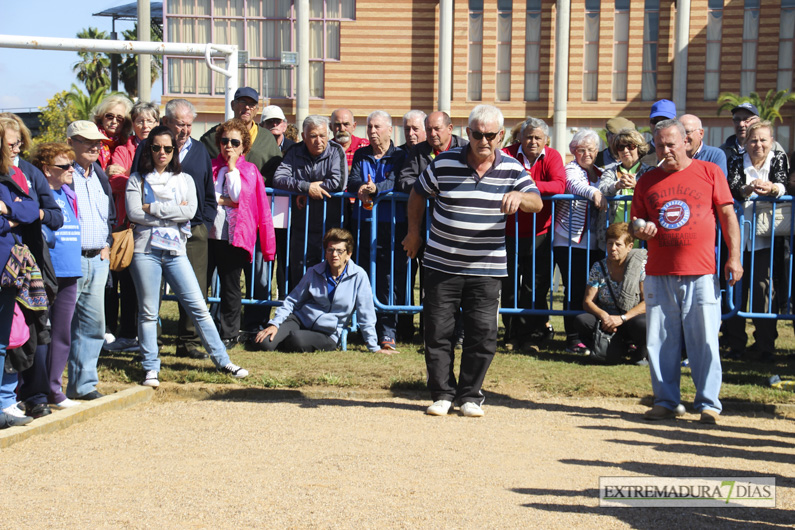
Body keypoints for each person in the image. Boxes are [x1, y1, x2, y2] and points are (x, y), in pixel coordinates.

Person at [402, 104, 542, 418]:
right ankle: (441, 393)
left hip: (487, 267)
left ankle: (470, 395)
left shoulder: (512, 168)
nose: (483, 140)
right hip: (441, 263)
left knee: (482, 334)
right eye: (477, 134)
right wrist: (414, 233)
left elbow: (537, 201)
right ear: (467, 133)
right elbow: (417, 194)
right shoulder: (444, 163)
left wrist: (520, 197)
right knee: (437, 331)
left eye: (490, 135)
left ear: (501, 136)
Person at [631, 119, 743, 425]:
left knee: (704, 340)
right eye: (659, 145)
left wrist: (734, 257)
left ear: (686, 142)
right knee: (660, 340)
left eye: (671, 144)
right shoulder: (646, 180)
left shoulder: (710, 172)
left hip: (701, 271)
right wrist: (643, 230)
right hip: (659, 272)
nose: (665, 150)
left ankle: (708, 404)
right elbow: (635, 225)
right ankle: (666, 401)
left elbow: (728, 216)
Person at [126, 126, 249, 387]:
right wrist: (171, 209)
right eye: (157, 147)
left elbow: (190, 211)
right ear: (149, 149)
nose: (162, 153)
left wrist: (154, 208)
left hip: (175, 251)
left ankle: (223, 360)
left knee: (198, 307)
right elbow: (134, 213)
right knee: (148, 312)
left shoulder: (185, 180)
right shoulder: (137, 179)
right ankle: (151, 367)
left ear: (175, 151)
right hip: (145, 252)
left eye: (168, 148)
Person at [201, 88, 282, 334]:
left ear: (257, 108)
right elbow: (204, 182)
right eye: (242, 103)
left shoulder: (266, 138)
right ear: (234, 104)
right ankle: (202, 326)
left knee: (247, 279)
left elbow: (275, 173)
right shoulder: (214, 136)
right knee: (208, 281)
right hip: (213, 230)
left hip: (249, 223)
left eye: (252, 104)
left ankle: (250, 324)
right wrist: (223, 200)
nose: (229, 146)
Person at [254, 228, 392, 354]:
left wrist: (373, 347)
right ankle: (285, 339)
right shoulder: (313, 271)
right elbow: (292, 301)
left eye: (340, 251)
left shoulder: (359, 276)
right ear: (325, 252)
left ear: (348, 254)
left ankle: (290, 340)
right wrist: (275, 324)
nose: (334, 255)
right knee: (264, 343)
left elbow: (366, 312)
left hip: (328, 333)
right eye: (330, 250)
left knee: (296, 340)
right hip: (300, 320)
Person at [723, 121, 790, 363]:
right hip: (737, 237)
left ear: (771, 141)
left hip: (766, 236)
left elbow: (784, 182)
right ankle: (735, 344)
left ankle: (764, 345)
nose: (758, 144)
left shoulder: (778, 159)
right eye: (753, 140)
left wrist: (773, 188)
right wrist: (746, 188)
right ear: (745, 142)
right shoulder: (735, 160)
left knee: (764, 291)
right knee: (734, 289)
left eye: (763, 140)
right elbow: (731, 187)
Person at [501, 117, 566, 351]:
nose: (533, 142)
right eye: (529, 136)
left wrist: (525, 186)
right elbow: (498, 181)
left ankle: (531, 337)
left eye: (538, 138)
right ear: (520, 137)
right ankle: (510, 336)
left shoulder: (553, 156)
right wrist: (535, 186)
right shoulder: (506, 153)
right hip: (508, 231)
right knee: (508, 286)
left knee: (535, 287)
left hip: (540, 232)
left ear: (545, 140)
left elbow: (559, 185)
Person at [102, 101, 160, 353]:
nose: (145, 125)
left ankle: (149, 335)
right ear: (133, 124)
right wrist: (132, 178)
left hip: (158, 225)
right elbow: (114, 183)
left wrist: (128, 175)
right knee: (125, 281)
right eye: (139, 120)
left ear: (157, 123)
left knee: (150, 284)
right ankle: (126, 333)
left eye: (150, 120)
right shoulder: (124, 149)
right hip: (128, 225)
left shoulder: (163, 146)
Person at [347, 110, 408, 350]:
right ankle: (362, 329)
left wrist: (375, 189)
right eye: (369, 127)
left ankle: (387, 333)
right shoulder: (361, 154)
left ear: (390, 130)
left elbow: (398, 181)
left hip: (391, 225)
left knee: (387, 279)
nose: (372, 132)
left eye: (377, 127)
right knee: (361, 276)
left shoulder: (400, 155)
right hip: (363, 223)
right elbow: (351, 181)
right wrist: (361, 187)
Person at [66, 120, 116, 401]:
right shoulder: (61, 174)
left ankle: (83, 385)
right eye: (87, 141)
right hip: (70, 261)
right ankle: (44, 389)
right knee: (58, 327)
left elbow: (107, 215)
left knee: (93, 326)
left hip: (97, 259)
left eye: (97, 141)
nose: (95, 146)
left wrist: (107, 244)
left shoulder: (98, 174)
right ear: (71, 141)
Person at [31, 143, 83, 410]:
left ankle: (54, 389)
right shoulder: (38, 195)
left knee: (63, 332)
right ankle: (31, 390)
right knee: (39, 332)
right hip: (45, 271)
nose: (70, 169)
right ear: (45, 170)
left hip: (70, 270)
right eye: (64, 166)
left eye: (71, 164)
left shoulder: (69, 193)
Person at [272, 115, 346, 291]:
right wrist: (305, 187)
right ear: (304, 136)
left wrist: (309, 190)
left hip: (329, 226)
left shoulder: (336, 151)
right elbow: (278, 178)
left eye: (322, 136)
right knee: (299, 275)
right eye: (313, 136)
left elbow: (339, 182)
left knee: (329, 274)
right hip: (300, 227)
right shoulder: (294, 152)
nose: (318, 141)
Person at [0, 121, 40, 428]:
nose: (18, 149)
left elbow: (31, 209)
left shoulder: (16, 174)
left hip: (9, 267)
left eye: (19, 144)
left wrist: (7, 212)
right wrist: (11, 220)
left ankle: (4, 402)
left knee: (4, 338)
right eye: (12, 144)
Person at [554, 129, 607, 355]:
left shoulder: (600, 172)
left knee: (592, 291)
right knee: (574, 289)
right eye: (581, 150)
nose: (586, 154)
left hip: (594, 241)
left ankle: (592, 336)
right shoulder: (571, 168)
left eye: (591, 150)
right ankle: (573, 339)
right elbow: (574, 185)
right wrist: (594, 192)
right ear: (573, 151)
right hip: (569, 239)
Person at [575, 223, 647, 364]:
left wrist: (622, 318)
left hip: (630, 318)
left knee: (643, 324)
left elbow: (647, 302)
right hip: (607, 321)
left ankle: (640, 352)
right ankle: (605, 347)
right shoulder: (598, 267)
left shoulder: (640, 266)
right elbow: (587, 302)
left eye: (618, 244)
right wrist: (605, 316)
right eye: (610, 243)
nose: (613, 248)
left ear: (629, 247)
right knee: (582, 321)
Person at [597, 127, 654, 247]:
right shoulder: (610, 171)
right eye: (621, 147)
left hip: (640, 234)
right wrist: (617, 185)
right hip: (614, 234)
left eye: (630, 146)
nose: (625, 150)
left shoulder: (649, 172)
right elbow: (602, 189)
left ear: (639, 148)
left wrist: (636, 187)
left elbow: (654, 195)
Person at [719, 103, 787, 162]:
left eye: (746, 119)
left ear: (758, 121)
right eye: (737, 120)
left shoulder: (773, 148)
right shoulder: (723, 151)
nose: (741, 124)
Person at [92, 94, 133, 170]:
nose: (114, 121)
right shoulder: (91, 141)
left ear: (125, 123)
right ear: (101, 117)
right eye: (109, 116)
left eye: (119, 118)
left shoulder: (128, 146)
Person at [640, 99, 677, 166]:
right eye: (655, 121)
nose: (659, 125)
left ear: (675, 122)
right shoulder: (640, 153)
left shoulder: (684, 152)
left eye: (664, 121)